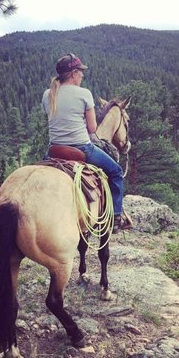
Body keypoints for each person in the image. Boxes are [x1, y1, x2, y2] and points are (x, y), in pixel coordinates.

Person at [41, 53, 131, 234]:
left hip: (54, 150)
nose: (82, 75)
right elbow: (92, 128)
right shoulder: (84, 94)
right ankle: (116, 217)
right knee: (116, 172)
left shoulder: (47, 94)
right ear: (73, 73)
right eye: (81, 72)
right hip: (82, 148)